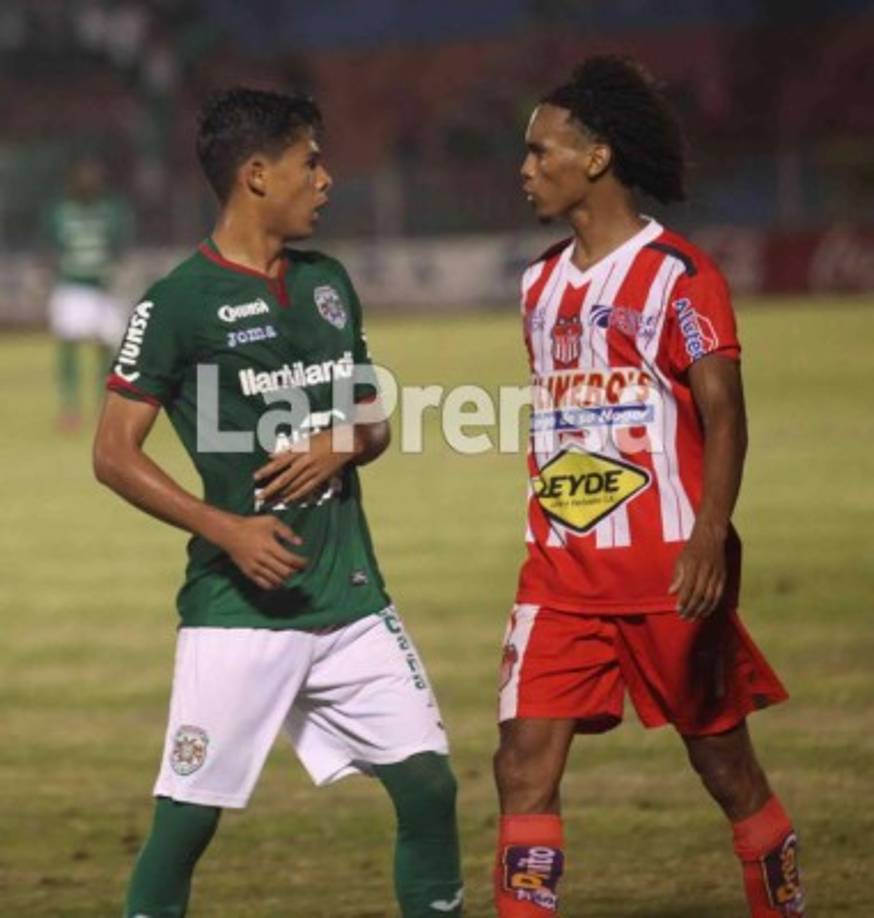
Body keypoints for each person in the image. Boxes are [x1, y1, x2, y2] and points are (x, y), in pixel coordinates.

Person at [93, 87, 462, 917]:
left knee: (430, 789)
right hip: (239, 610)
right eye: (312, 162)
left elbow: (372, 420)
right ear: (257, 175)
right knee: (186, 823)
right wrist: (226, 529)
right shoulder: (176, 303)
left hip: (351, 599)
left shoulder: (329, 284)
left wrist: (345, 439)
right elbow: (112, 454)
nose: (327, 180)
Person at [492, 56, 805, 917]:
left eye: (538, 151)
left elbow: (726, 415)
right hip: (558, 571)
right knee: (521, 766)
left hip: (668, 571)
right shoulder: (538, 285)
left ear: (595, 158)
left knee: (726, 767)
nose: (523, 170)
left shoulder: (679, 274)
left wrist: (709, 534)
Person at [47, 158, 132, 431]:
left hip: (101, 289)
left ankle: (103, 404)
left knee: (108, 348)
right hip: (71, 286)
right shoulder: (60, 211)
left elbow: (120, 245)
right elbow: (50, 245)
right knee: (69, 346)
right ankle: (70, 407)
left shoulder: (112, 210)